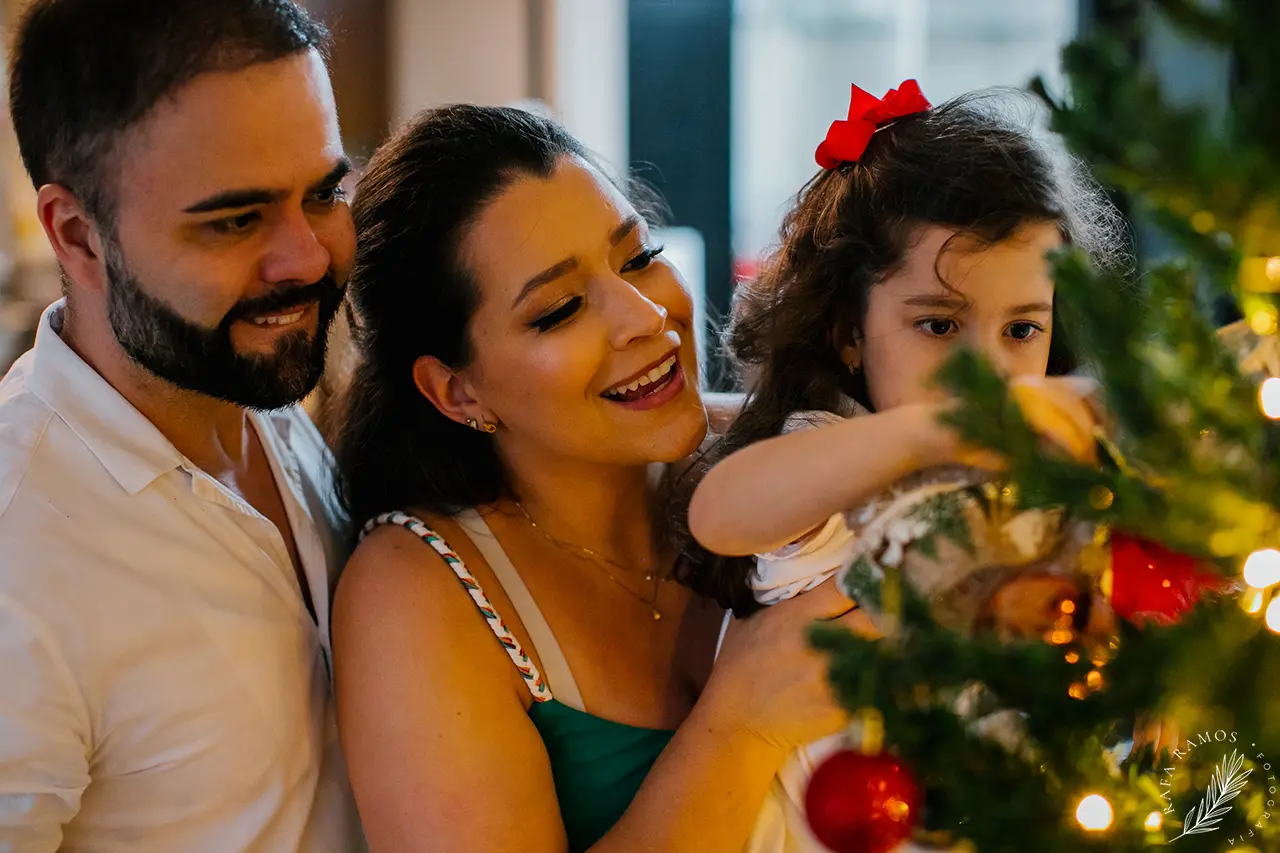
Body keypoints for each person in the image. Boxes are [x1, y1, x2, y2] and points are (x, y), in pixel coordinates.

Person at [329, 104, 870, 853]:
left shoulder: (774, 460)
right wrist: (742, 724)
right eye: (560, 310)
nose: (647, 315)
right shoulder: (418, 589)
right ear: (459, 391)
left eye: (637, 255)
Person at [683, 82, 1126, 851]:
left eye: (1022, 328)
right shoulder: (837, 453)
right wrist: (933, 430)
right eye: (939, 324)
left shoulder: (1044, 481)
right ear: (849, 332)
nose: (985, 371)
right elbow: (720, 512)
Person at [0, 1, 364, 850]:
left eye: (324, 193)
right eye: (235, 220)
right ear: (78, 235)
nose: (307, 258)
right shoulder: (21, 549)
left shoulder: (252, 391)